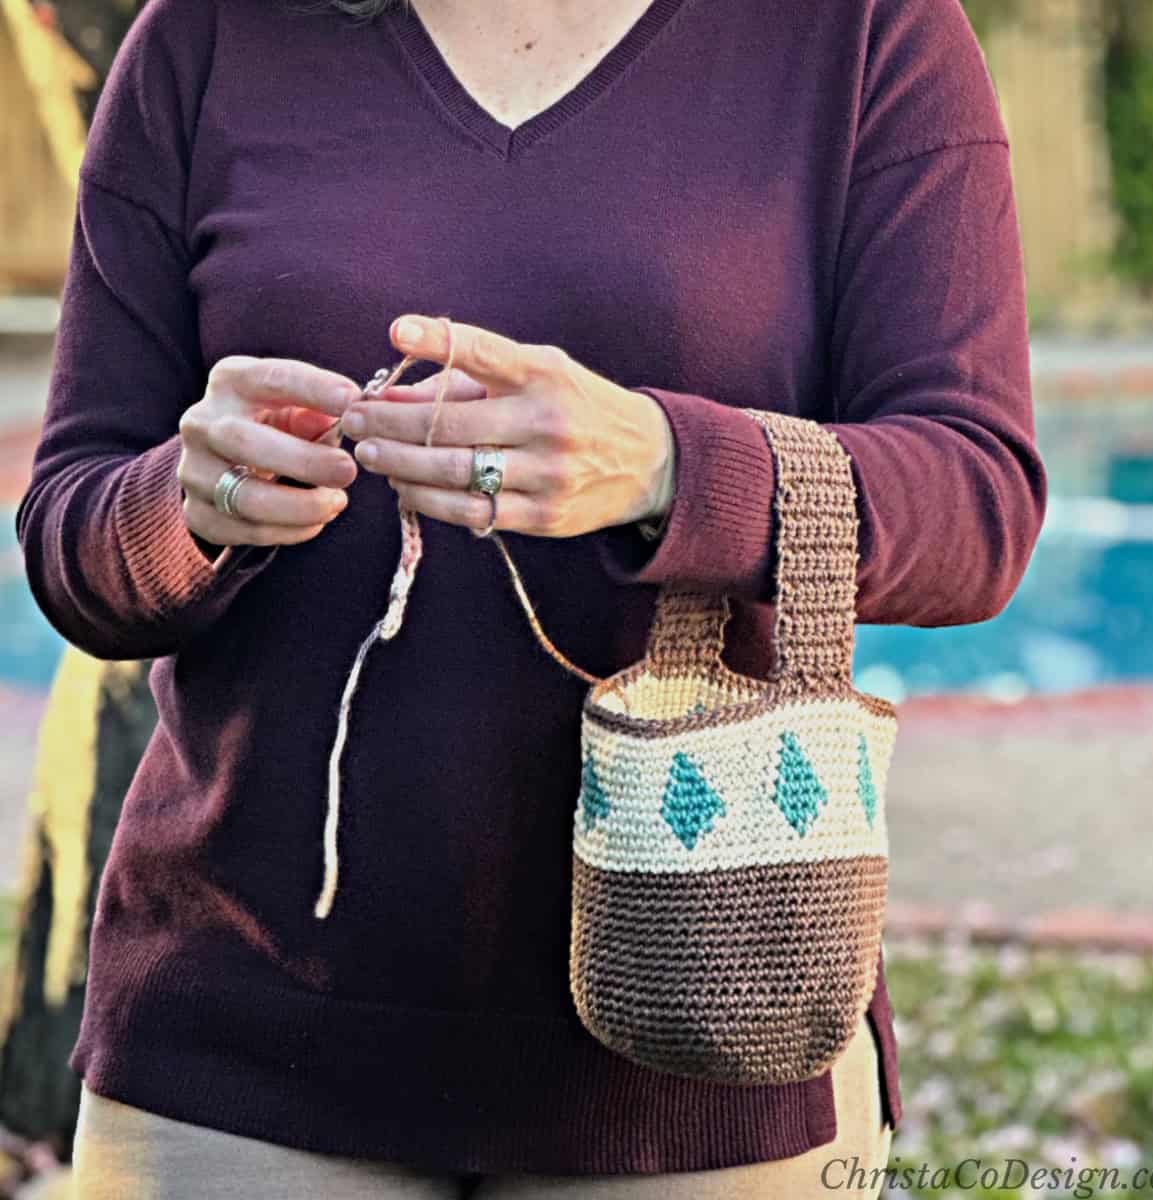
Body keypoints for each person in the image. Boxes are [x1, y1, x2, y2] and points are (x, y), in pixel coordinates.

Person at [15, 0, 1046, 1194]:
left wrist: (666, 465)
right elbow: (69, 530)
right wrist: (186, 507)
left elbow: (981, 501)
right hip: (235, 1059)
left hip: (697, 1053)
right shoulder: (204, 36)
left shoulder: (868, 34)